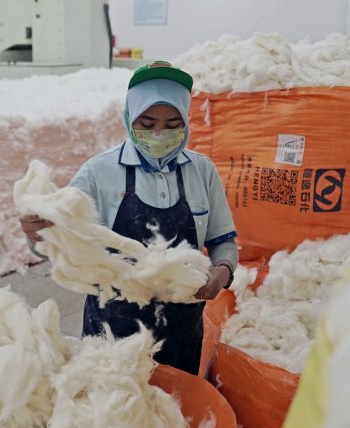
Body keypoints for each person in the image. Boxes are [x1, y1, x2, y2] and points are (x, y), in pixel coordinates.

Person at [20, 60, 238, 375]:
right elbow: (59, 238)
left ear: (186, 122)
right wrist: (38, 232)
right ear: (128, 118)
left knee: (176, 410)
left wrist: (223, 269)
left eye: (173, 124)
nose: (159, 134)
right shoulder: (98, 172)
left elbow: (223, 240)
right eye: (147, 124)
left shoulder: (202, 171)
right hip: (112, 330)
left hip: (182, 330)